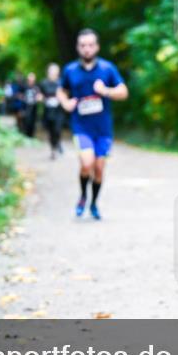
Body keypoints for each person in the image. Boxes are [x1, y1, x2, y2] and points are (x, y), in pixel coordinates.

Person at [57, 29, 128, 220]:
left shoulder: (107, 69)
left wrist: (105, 91)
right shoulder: (70, 70)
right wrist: (65, 103)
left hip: (103, 129)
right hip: (81, 127)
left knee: (99, 169)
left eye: (90, 45)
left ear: (96, 47)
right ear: (78, 47)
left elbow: (123, 92)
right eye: (82, 45)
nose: (86, 49)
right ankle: (82, 196)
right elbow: (61, 91)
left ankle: (94, 203)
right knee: (86, 163)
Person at [40, 63, 65, 159]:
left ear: (58, 72)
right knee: (50, 131)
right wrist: (41, 98)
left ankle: (58, 142)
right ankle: (53, 149)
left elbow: (66, 93)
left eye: (55, 70)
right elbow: (40, 94)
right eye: (51, 70)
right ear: (48, 71)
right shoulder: (43, 83)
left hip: (59, 110)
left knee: (57, 129)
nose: (53, 72)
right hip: (48, 110)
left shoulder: (61, 82)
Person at [21, 72, 42, 138]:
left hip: (34, 106)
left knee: (33, 120)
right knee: (26, 120)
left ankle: (31, 135)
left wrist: (39, 97)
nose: (31, 80)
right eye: (30, 78)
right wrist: (22, 98)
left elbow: (39, 95)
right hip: (26, 105)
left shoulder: (36, 87)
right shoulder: (24, 86)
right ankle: (26, 134)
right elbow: (19, 94)